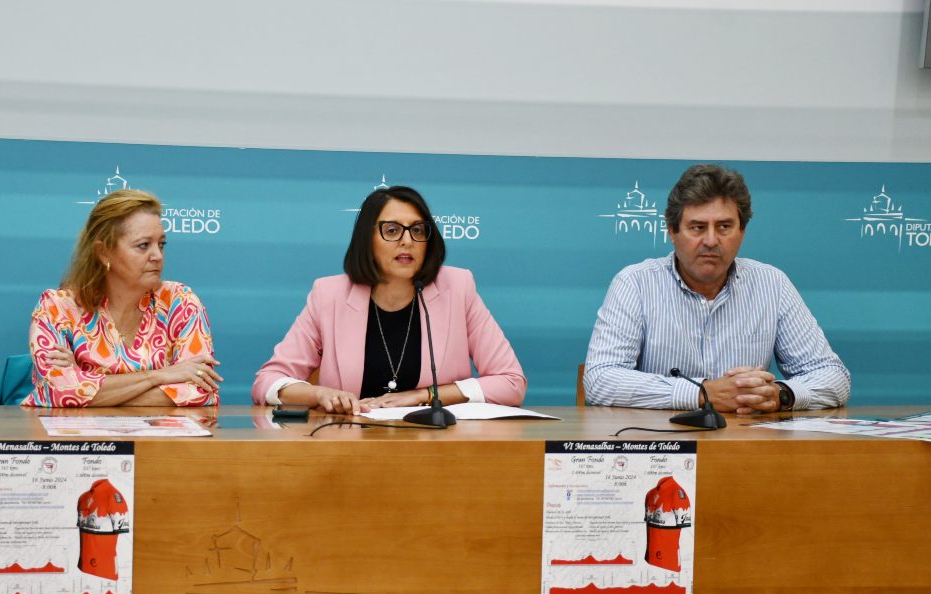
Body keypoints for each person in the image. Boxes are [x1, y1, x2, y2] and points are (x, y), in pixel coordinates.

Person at [583, 164, 850, 414]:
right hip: (662, 451)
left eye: (724, 227)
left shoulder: (772, 284)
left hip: (747, 450)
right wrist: (702, 393)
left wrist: (780, 394)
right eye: (697, 227)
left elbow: (833, 376)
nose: (711, 241)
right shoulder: (635, 284)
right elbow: (600, 379)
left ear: (742, 232)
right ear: (671, 232)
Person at [252, 185, 525, 414]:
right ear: (367, 239)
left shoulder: (457, 287)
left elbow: (511, 382)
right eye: (392, 230)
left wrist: (423, 396)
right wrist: (322, 395)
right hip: (348, 447)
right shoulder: (330, 295)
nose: (407, 241)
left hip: (438, 449)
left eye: (418, 230)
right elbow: (268, 382)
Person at [23, 189, 220, 407]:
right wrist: (160, 376)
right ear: (104, 252)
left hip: (161, 439)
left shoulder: (180, 302)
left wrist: (89, 387)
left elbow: (201, 390)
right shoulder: (58, 308)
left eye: (161, 244)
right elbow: (57, 390)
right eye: (143, 245)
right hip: (80, 440)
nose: (157, 256)